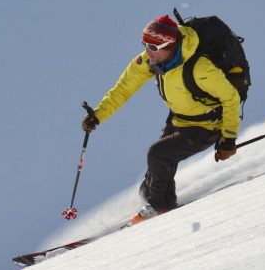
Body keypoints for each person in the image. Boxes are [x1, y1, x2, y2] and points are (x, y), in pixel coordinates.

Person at [81, 14, 242, 224]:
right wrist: (98, 115)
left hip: (206, 125)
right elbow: (123, 89)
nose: (148, 52)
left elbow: (231, 98)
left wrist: (228, 138)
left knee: (157, 155)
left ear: (171, 44)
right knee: (150, 183)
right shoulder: (151, 61)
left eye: (153, 47)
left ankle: (158, 209)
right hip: (178, 119)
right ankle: (162, 206)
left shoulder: (200, 68)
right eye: (145, 45)